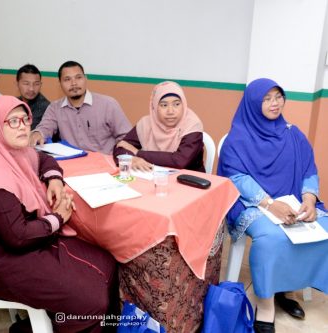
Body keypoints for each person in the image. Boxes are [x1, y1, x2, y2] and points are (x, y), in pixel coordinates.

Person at [0, 96, 118, 332]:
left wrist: (54, 178)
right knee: (91, 301)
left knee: (107, 263)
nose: (22, 126)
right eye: (12, 121)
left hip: (30, 241)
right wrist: (59, 217)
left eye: (25, 119)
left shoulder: (12, 152)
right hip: (0, 261)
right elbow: (17, 236)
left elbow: (42, 157)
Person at [218, 78, 328, 333]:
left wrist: (310, 199)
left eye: (278, 96)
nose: (274, 103)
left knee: (323, 230)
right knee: (271, 238)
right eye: (266, 99)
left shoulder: (292, 133)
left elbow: (309, 169)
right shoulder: (238, 138)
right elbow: (236, 178)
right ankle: (265, 306)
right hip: (253, 203)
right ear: (253, 104)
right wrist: (268, 204)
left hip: (293, 201)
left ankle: (285, 290)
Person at [30, 61, 131, 154]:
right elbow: (45, 127)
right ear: (60, 83)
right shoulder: (55, 108)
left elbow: (126, 137)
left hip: (105, 165)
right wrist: (38, 133)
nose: (74, 83)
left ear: (86, 79)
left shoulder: (108, 104)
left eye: (78, 77)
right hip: (72, 163)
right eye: (67, 79)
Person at [113, 81, 205, 172]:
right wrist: (132, 159)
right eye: (164, 105)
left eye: (176, 104)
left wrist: (138, 153)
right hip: (152, 177)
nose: (170, 111)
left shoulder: (192, 125)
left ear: (183, 104)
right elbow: (121, 146)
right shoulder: (146, 123)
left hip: (189, 181)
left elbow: (180, 161)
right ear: (155, 107)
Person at [16, 64, 50, 129]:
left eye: (36, 84)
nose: (31, 88)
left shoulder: (46, 108)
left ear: (40, 85)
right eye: (26, 83)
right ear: (17, 84)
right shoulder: (14, 103)